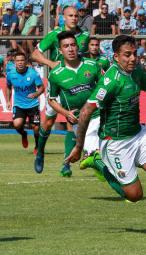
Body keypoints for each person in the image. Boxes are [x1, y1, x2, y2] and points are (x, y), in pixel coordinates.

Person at [65, 35, 146, 236]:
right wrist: (78, 145)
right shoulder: (110, 81)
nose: (132, 59)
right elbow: (85, 111)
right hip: (115, 143)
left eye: (134, 54)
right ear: (115, 57)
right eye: (127, 55)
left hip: (138, 135)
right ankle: (98, 162)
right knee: (135, 195)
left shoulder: (136, 72)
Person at [32, 6, 90, 176]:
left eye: (76, 15)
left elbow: (87, 58)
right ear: (63, 17)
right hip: (57, 82)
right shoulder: (54, 34)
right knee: (49, 122)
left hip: (77, 83)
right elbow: (35, 54)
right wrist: (50, 64)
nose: (74, 18)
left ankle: (66, 165)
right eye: (70, 15)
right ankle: (40, 152)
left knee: (72, 123)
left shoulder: (85, 36)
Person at [47, 31, 105, 181]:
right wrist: (65, 113)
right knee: (97, 156)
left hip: (100, 115)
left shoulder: (93, 65)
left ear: (78, 46)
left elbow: (106, 86)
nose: (70, 49)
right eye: (66, 46)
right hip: (78, 120)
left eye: (73, 45)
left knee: (107, 153)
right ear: (60, 50)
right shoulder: (55, 74)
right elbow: (51, 99)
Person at [6, 52, 45, 153]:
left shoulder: (33, 73)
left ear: (26, 62)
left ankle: (37, 147)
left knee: (36, 127)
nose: (20, 62)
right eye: (18, 60)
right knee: (17, 124)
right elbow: (8, 87)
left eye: (22, 60)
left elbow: (41, 88)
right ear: (15, 62)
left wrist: (35, 94)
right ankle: (24, 134)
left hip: (33, 104)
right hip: (19, 105)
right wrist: (8, 101)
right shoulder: (11, 74)